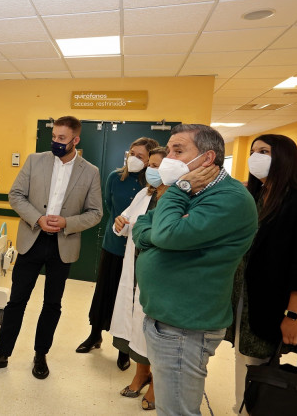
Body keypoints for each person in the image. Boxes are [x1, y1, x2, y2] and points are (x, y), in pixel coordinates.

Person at [131, 123, 257, 416]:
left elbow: (166, 234)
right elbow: (144, 226)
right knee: (170, 405)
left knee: (178, 411)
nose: (168, 158)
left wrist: (180, 189)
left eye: (178, 150)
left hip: (186, 326)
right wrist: (158, 230)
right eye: (170, 149)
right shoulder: (195, 192)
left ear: (207, 158)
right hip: (169, 319)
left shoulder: (229, 198)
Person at [0, 115, 103, 379]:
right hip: (31, 239)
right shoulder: (36, 160)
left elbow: (96, 213)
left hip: (63, 244)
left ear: (75, 140)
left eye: (62, 138)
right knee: (17, 300)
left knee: (52, 304)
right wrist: (37, 218)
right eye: (54, 137)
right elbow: (15, 195)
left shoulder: (90, 172)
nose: (56, 142)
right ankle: (1, 353)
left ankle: (40, 354)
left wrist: (67, 221)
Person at [224, 134, 297, 414]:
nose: (255, 157)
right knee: (244, 358)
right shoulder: (252, 196)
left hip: (273, 300)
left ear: (283, 157)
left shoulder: (293, 202)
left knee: (263, 363)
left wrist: (293, 314)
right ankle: (241, 406)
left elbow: (296, 264)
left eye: (264, 151)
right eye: (253, 151)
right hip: (243, 296)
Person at [76, 137, 158, 372]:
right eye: (131, 153)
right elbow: (111, 208)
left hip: (137, 252)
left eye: (140, 156)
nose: (134, 158)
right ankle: (94, 336)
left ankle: (124, 350)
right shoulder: (115, 177)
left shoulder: (152, 185)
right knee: (104, 292)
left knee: (129, 300)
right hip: (113, 245)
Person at [108, 146, 168, 411]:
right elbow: (125, 220)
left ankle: (157, 382)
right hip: (134, 266)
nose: (152, 171)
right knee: (136, 321)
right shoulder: (145, 193)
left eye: (158, 166)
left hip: (159, 272)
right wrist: (120, 223)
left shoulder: (179, 197)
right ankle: (141, 373)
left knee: (155, 327)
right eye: (150, 166)